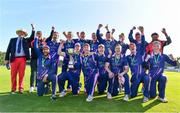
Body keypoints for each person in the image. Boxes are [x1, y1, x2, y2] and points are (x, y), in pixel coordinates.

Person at [5, 27, 34, 94]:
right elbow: (8, 50)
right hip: (14, 59)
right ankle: (13, 89)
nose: (21, 33)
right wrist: (6, 59)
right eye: (20, 32)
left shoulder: (26, 40)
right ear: (18, 33)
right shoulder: (12, 40)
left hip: (22, 59)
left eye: (23, 32)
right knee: (13, 75)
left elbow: (32, 38)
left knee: (21, 75)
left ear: (24, 34)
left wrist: (33, 29)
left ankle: (21, 88)